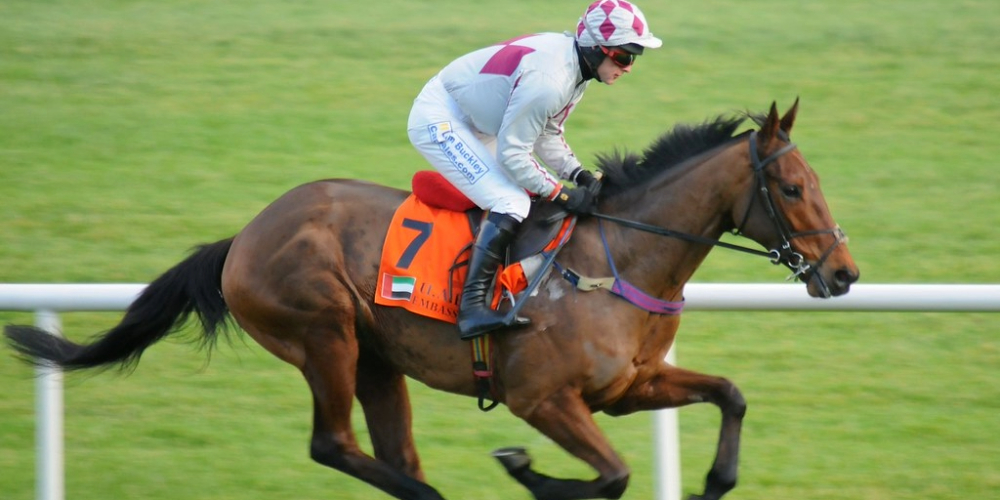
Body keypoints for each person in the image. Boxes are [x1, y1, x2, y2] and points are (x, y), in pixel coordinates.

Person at [407, 0, 662, 340]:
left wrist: (579, 175)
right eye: (624, 56)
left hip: (482, 121)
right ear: (596, 48)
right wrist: (563, 194)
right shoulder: (551, 82)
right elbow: (514, 155)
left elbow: (546, 133)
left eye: (634, 58)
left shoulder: (576, 68)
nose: (628, 67)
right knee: (512, 201)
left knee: (528, 193)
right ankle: (471, 308)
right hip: (442, 118)